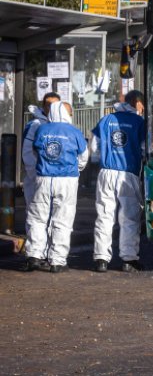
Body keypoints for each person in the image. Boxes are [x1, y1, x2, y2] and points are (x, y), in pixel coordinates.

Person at [24, 102, 88, 273]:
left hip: (43, 178)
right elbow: (83, 157)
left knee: (37, 217)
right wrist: (75, 168)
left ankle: (34, 256)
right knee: (63, 220)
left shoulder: (42, 130)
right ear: (67, 114)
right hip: (67, 179)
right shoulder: (74, 132)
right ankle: (57, 261)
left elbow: (34, 151)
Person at [91, 90, 146, 273]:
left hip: (106, 172)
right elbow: (145, 149)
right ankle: (128, 259)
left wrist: (103, 159)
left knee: (104, 216)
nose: (143, 108)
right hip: (128, 173)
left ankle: (101, 259)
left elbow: (94, 148)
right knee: (129, 218)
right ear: (137, 103)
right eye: (142, 104)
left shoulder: (106, 120)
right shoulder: (139, 122)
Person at [20, 92, 61, 271]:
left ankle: (48, 254)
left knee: (54, 218)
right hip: (37, 178)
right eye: (49, 105)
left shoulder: (60, 125)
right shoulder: (35, 125)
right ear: (43, 106)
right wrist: (35, 175)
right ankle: (35, 254)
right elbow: (27, 153)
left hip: (54, 179)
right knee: (36, 218)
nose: (52, 109)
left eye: (56, 105)